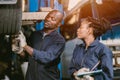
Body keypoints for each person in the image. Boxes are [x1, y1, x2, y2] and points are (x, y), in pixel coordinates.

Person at [17, 10, 65, 80]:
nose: (48, 19)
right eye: (48, 16)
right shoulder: (35, 35)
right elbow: (28, 57)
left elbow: (47, 57)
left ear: (58, 24)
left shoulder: (59, 40)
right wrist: (20, 51)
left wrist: (25, 46)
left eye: (53, 19)